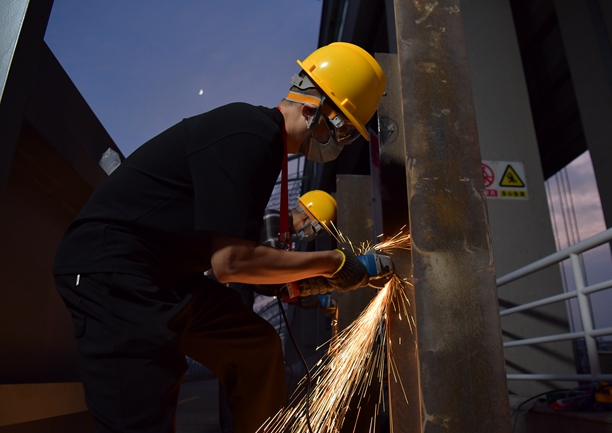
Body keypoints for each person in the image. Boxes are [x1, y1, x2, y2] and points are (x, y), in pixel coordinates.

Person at [53, 42, 386, 433]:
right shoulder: (250, 135)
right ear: (315, 110)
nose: (341, 145)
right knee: (144, 412)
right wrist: (333, 262)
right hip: (115, 271)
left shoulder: (264, 148)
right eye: (344, 130)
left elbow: (244, 257)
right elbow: (231, 263)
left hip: (169, 275)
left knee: (254, 348)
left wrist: (298, 279)